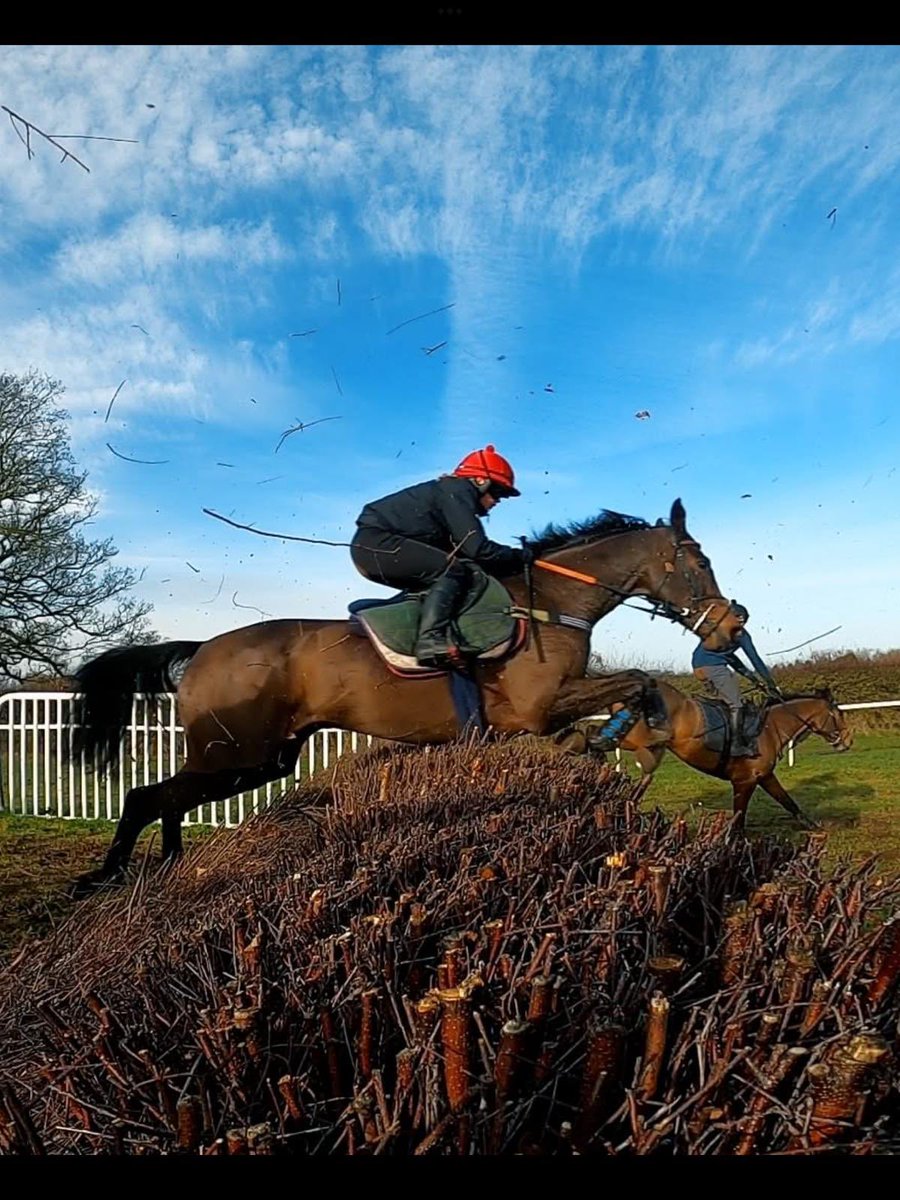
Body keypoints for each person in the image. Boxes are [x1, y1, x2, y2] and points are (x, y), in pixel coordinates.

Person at [350, 445, 529, 669]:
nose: (497, 502)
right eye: (498, 492)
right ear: (480, 481)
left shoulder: (449, 494)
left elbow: (470, 554)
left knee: (458, 571)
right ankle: (430, 641)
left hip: (373, 547)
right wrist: (521, 557)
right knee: (450, 569)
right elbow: (478, 549)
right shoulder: (457, 491)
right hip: (378, 544)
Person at [691, 603, 781, 757]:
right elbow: (755, 660)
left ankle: (720, 738)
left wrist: (751, 678)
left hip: (698, 668)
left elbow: (731, 658)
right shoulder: (741, 634)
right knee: (736, 705)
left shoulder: (717, 630)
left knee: (725, 704)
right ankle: (736, 746)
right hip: (715, 668)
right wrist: (771, 684)